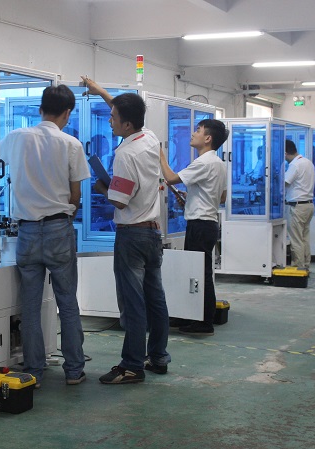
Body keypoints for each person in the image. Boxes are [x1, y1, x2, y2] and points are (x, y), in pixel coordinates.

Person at [81, 76, 170, 384]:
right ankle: (158, 356)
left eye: (113, 117)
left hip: (131, 235)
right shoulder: (150, 138)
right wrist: (101, 92)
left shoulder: (125, 154)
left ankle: (132, 365)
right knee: (155, 300)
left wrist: (101, 186)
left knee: (132, 303)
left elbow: (119, 201)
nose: (109, 121)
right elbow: (128, 110)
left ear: (127, 124)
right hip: (152, 233)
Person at [0, 84, 89, 387]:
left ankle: (34, 372)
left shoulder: (16, 137)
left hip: (26, 231)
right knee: (67, 301)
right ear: (67, 113)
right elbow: (76, 196)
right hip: (58, 229)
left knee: (30, 305)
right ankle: (74, 371)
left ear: (40, 109)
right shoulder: (71, 144)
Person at [159, 119, 228, 337]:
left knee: (200, 273)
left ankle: (204, 322)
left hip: (200, 224)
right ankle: (192, 316)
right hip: (207, 222)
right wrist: (191, 197)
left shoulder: (203, 162)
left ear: (208, 138)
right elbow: (221, 197)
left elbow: (170, 178)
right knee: (197, 272)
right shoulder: (218, 163)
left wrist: (159, 155)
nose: (193, 133)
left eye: (198, 130)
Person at [284, 139, 315, 272]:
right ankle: (306, 265)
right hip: (308, 205)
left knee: (296, 239)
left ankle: (298, 268)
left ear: (285, 153)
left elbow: (284, 182)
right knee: (304, 238)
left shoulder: (295, 165)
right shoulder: (308, 162)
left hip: (297, 207)